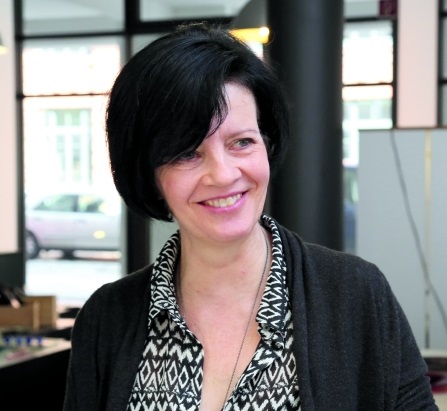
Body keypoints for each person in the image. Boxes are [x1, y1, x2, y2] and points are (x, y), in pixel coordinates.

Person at [63, 22, 438, 411]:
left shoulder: (357, 295)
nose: (223, 174)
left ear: (267, 145)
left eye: (241, 142)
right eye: (188, 153)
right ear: (149, 173)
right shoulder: (106, 319)